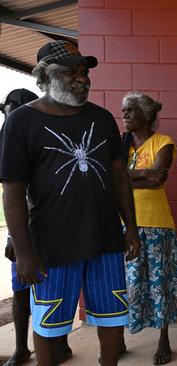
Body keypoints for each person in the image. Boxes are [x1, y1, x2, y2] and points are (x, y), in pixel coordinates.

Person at [0, 40, 140, 366]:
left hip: (104, 238)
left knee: (111, 316)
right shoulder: (21, 122)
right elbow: (13, 191)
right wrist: (23, 251)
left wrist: (130, 227)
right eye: (70, 72)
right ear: (44, 77)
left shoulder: (103, 118)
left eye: (84, 72)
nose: (81, 78)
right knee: (49, 323)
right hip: (52, 244)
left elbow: (120, 177)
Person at [2, 89, 74, 366]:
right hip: (23, 231)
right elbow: (12, 193)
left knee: (58, 291)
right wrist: (15, 238)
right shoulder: (9, 135)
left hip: (47, 229)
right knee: (21, 289)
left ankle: (62, 344)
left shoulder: (41, 133)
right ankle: (22, 348)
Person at [120, 92, 177, 365]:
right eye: (123, 111)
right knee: (123, 284)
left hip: (156, 224)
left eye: (130, 111)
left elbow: (158, 179)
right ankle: (117, 340)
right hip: (122, 224)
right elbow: (106, 176)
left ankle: (163, 339)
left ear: (146, 115)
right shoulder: (120, 145)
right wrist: (142, 174)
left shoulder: (163, 143)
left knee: (160, 284)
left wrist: (124, 178)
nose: (124, 116)